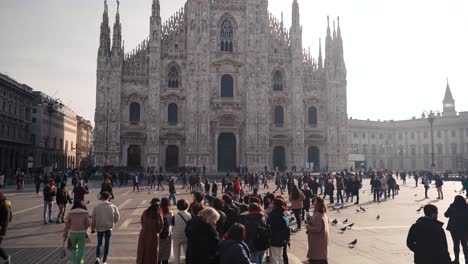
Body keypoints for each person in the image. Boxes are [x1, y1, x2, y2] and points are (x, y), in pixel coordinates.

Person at [91, 191, 120, 264]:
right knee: (107, 244)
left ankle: (97, 258)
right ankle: (104, 261)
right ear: (108, 197)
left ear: (101, 197)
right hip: (108, 227)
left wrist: (92, 228)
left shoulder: (97, 207)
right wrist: (113, 222)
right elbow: (117, 217)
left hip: (99, 227)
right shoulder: (113, 206)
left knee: (99, 244)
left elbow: (93, 218)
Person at [63, 200, 91, 264]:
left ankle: (73, 261)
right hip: (82, 233)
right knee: (81, 249)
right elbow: (88, 224)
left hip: (72, 233)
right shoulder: (85, 213)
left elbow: (67, 225)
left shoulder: (70, 213)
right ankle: (80, 262)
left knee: (74, 248)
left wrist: (65, 235)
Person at [136, 198, 163, 264]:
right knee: (151, 254)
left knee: (142, 252)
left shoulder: (145, 212)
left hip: (143, 234)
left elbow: (142, 222)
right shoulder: (158, 213)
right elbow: (160, 227)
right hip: (153, 236)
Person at [444, 195, 468, 264]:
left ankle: (456, 260)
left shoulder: (452, 207)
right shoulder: (466, 207)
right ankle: (467, 259)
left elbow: (446, 215)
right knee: (465, 244)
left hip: (454, 229)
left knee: (456, 244)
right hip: (465, 229)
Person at [306, 197, 329, 264]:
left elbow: (318, 229)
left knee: (317, 259)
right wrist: (309, 219)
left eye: (314, 201)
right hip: (319, 241)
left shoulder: (318, 214)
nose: (313, 203)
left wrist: (308, 228)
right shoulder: (320, 212)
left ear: (318, 204)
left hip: (318, 242)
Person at [268, 198, 290, 264]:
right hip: (282, 238)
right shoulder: (283, 214)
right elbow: (287, 227)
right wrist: (287, 238)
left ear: (275, 205)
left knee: (274, 257)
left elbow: (269, 226)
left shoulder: (273, 214)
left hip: (274, 237)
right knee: (280, 256)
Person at [172, 199, 191, 264]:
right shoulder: (189, 215)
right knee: (187, 253)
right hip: (185, 236)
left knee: (176, 254)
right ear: (186, 206)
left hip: (176, 236)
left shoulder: (174, 215)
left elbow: (172, 225)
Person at [158, 198, 173, 264]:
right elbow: (171, 224)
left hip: (158, 235)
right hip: (167, 236)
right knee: (165, 256)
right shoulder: (170, 213)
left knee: (158, 254)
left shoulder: (158, 212)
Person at [0, 192, 12, 263]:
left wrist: (2, 233)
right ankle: (6, 257)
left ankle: (6, 257)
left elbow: (6, 221)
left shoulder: (5, 207)